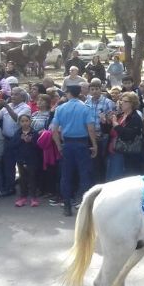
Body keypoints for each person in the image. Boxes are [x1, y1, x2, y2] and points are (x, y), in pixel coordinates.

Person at [51, 85, 98, 217]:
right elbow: (90, 128)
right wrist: (94, 144)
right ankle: (85, 205)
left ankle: (67, 205)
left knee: (66, 175)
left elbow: (54, 130)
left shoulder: (60, 108)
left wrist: (59, 145)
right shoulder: (85, 108)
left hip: (67, 143)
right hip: (82, 143)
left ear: (69, 93)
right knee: (84, 174)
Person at [0, 87, 32, 197]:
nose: (12, 96)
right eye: (12, 94)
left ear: (22, 96)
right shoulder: (8, 106)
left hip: (19, 139)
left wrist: (6, 106)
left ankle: (26, 187)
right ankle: (10, 187)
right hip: (7, 139)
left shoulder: (25, 107)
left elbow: (18, 120)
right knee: (8, 164)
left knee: (22, 164)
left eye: (16, 94)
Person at [106, 91, 144, 181]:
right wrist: (106, 123)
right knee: (110, 177)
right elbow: (111, 132)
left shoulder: (135, 117)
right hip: (113, 150)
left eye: (124, 101)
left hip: (124, 152)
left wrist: (116, 126)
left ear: (132, 103)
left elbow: (129, 135)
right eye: (121, 101)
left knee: (117, 178)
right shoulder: (120, 115)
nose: (121, 103)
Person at [11, 114, 41, 207]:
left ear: (30, 121)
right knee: (22, 178)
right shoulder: (18, 133)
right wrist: (21, 140)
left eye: (26, 121)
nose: (24, 123)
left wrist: (30, 141)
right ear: (19, 123)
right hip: (21, 159)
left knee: (32, 178)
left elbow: (38, 146)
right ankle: (22, 197)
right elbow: (13, 145)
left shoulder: (34, 132)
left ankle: (33, 197)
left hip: (32, 159)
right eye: (22, 121)